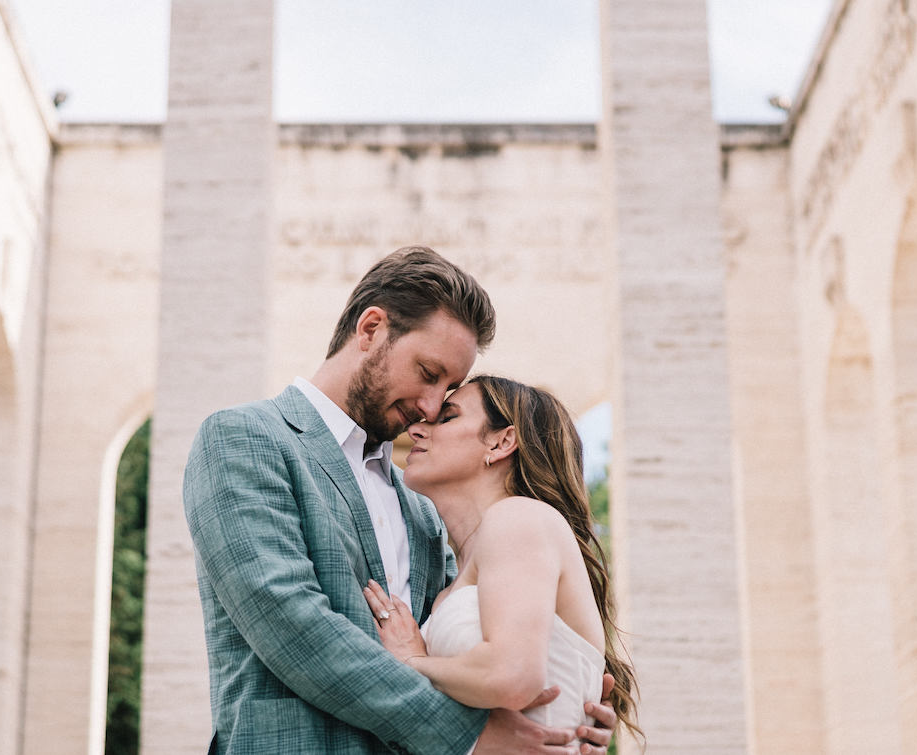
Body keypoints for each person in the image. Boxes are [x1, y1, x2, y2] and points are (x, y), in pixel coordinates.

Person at [184, 247, 618, 754]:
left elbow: (469, 658)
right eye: (428, 372)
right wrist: (472, 738)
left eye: (451, 390)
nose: (430, 407)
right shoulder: (245, 438)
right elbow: (292, 627)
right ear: (370, 330)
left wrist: (564, 715)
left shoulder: (424, 508)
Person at [362, 376, 640, 746]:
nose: (416, 429)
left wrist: (411, 661)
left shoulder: (519, 518)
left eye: (447, 418)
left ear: (501, 441)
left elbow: (513, 676)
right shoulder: (459, 571)